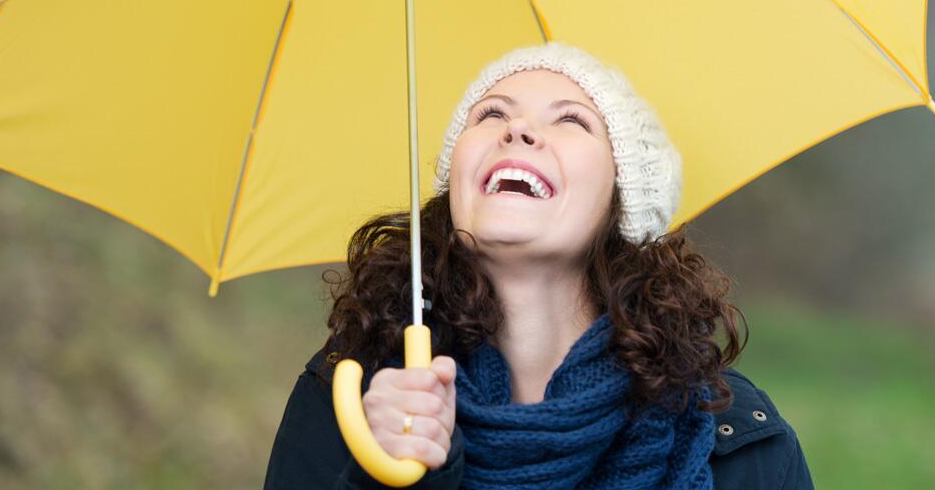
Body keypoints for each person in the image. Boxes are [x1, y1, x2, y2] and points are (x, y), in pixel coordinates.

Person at [263, 43, 815, 489]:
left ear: (625, 199)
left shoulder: (737, 438)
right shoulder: (353, 404)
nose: (518, 131)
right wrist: (384, 479)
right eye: (492, 114)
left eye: (571, 120)